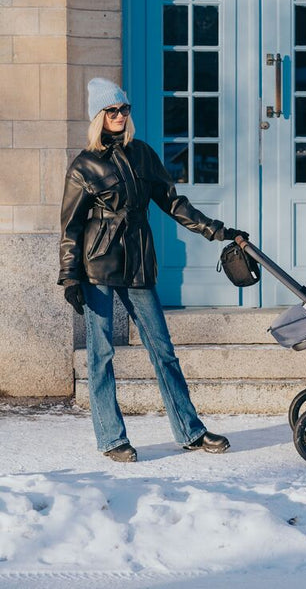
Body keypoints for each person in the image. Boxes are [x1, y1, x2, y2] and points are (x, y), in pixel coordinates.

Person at [58, 78, 248, 462]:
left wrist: (218, 230)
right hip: (97, 265)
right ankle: (112, 438)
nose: (120, 116)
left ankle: (190, 431)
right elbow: (71, 226)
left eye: (124, 109)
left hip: (139, 263)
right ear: (98, 116)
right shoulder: (83, 165)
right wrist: (69, 275)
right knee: (101, 355)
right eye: (111, 111)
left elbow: (174, 203)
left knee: (164, 352)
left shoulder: (142, 153)